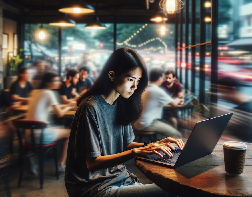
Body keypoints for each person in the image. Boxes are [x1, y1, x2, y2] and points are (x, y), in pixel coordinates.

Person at [66, 48, 184, 197]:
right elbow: (92, 163)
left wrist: (154, 146)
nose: (134, 87)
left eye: (138, 81)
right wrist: (136, 152)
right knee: (176, 191)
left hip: (120, 178)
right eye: (130, 79)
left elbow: (124, 144)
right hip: (94, 187)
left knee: (176, 188)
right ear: (112, 75)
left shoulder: (120, 103)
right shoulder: (90, 108)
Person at [25, 72, 74, 172]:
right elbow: (60, 114)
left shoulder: (34, 92)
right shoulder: (49, 93)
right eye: (55, 81)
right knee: (69, 133)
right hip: (41, 135)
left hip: (27, 136)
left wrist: (66, 105)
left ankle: (34, 158)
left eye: (58, 80)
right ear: (47, 82)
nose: (58, 82)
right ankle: (61, 164)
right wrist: (69, 106)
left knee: (60, 128)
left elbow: (54, 106)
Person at [133, 68, 183, 139]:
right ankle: (171, 149)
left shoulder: (145, 88)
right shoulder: (157, 90)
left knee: (167, 123)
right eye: (163, 77)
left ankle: (164, 145)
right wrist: (179, 99)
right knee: (177, 134)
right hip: (147, 124)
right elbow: (174, 103)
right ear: (159, 78)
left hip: (136, 122)